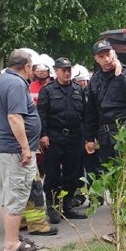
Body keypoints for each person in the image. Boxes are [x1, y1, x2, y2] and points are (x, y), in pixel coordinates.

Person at [0, 48, 56, 251]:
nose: (33, 72)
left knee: (7, 195)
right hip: (12, 149)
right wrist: (26, 148)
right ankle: (11, 244)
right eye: (32, 68)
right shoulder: (16, 83)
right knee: (17, 195)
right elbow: (15, 117)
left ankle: (13, 237)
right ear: (26, 66)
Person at [37, 57, 89, 222]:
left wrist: (87, 137)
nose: (67, 73)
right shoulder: (48, 90)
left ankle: (67, 206)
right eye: (63, 70)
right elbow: (42, 115)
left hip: (75, 138)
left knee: (72, 175)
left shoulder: (77, 89)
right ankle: (52, 208)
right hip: (55, 138)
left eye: (69, 70)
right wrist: (43, 135)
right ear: (56, 71)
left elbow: (85, 115)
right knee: (52, 176)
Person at [85, 40, 126, 166]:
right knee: (108, 175)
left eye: (108, 55)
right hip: (105, 136)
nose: (106, 59)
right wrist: (90, 138)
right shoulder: (95, 79)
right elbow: (91, 111)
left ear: (113, 53)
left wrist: (120, 75)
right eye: (102, 56)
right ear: (96, 59)